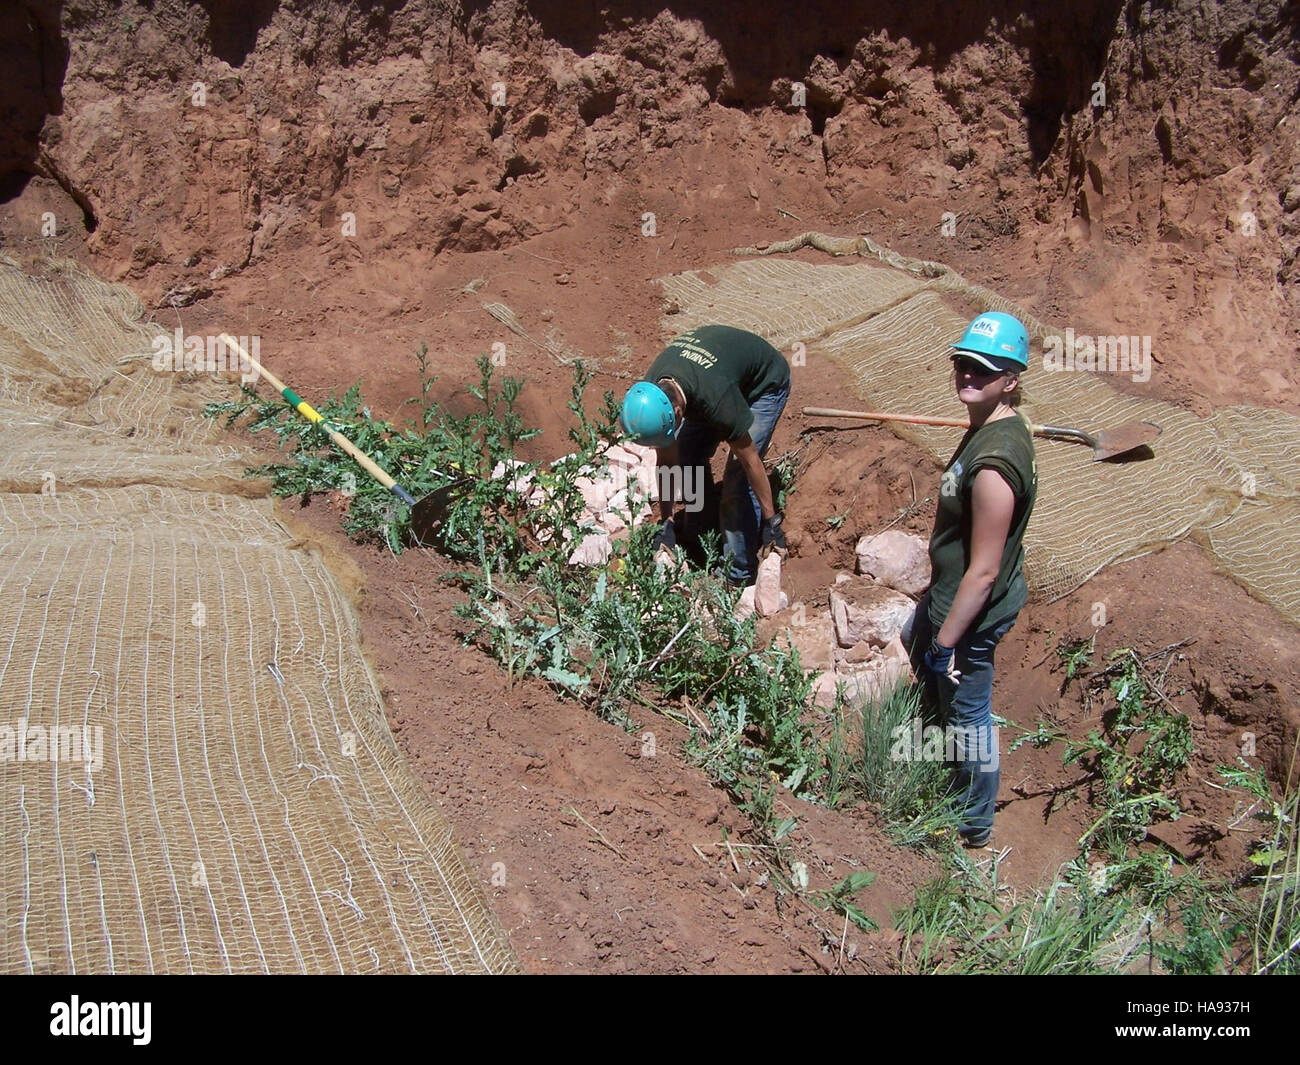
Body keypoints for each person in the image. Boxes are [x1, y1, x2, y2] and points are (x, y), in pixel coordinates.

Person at [901, 311, 1038, 848]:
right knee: (919, 650)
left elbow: (982, 573)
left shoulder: (994, 466)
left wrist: (947, 643)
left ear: (1011, 379)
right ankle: (937, 757)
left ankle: (973, 824)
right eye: (963, 364)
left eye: (984, 369)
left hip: (971, 613)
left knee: (970, 714)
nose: (968, 375)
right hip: (950, 597)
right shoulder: (994, 429)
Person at [619, 325, 791, 585]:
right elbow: (667, 462)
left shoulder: (717, 401)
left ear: (677, 413)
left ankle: (738, 572)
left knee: (736, 479)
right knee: (686, 456)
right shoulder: (653, 393)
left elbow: (750, 461)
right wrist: (666, 522)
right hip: (716, 378)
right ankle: (702, 535)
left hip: (762, 384)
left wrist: (772, 522)